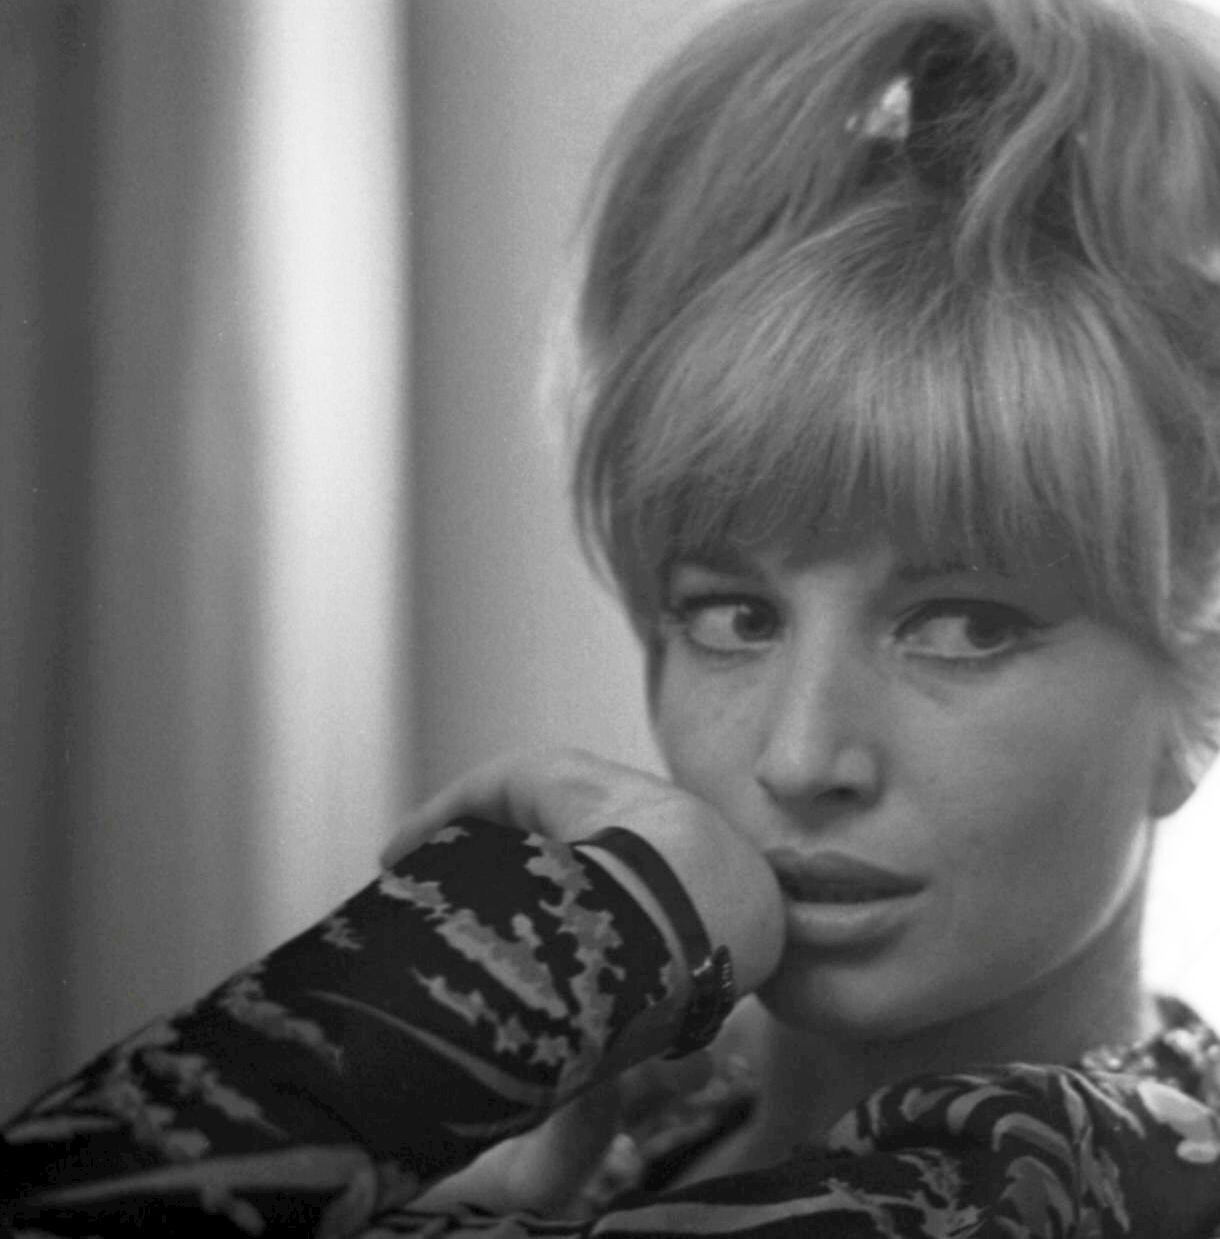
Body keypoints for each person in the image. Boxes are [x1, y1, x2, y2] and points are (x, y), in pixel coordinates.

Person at [6, 0, 1220, 1234]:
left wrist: (548, 952)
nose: (800, 756)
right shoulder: (667, 1129)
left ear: (1199, 688)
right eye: (734, 616)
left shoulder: (1060, 1193)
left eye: (961, 627)